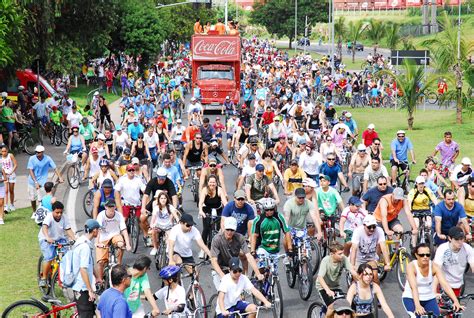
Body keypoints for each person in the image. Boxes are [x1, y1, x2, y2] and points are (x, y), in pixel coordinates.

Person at [402, 243, 462, 318]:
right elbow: (414, 287)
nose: (425, 257)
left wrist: (455, 301)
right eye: (422, 255)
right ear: (416, 255)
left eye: (427, 255)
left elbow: (445, 284)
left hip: (429, 298)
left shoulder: (434, 266)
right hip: (411, 298)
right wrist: (417, 305)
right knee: (416, 316)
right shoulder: (411, 266)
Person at [210, 217, 263, 289]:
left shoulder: (240, 238)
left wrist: (258, 273)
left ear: (235, 230)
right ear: (224, 228)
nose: (229, 232)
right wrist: (222, 276)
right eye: (227, 229)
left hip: (233, 268)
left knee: (238, 292)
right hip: (219, 269)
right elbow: (213, 260)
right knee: (223, 292)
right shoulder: (217, 239)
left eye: (232, 230)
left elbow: (249, 256)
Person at [38, 201, 75, 287]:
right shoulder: (49, 217)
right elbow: (44, 227)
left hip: (59, 239)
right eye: (57, 212)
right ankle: (43, 278)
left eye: (61, 212)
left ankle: (59, 276)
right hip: (46, 239)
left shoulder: (64, 218)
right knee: (49, 257)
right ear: (53, 211)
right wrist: (47, 237)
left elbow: (68, 229)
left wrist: (74, 239)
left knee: (63, 258)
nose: (59, 214)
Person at [316, 242, 358, 318]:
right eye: (339, 254)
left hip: (336, 287)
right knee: (331, 307)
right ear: (332, 254)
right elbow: (320, 277)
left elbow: (352, 271)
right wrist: (328, 290)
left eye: (342, 253)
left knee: (346, 305)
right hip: (323, 287)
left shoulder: (343, 259)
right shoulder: (326, 261)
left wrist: (359, 282)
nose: (342, 255)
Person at [96, 199, 131, 286]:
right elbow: (98, 231)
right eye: (109, 207)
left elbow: (124, 230)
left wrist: (128, 244)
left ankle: (118, 263)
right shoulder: (101, 215)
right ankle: (100, 280)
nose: (111, 209)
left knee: (120, 244)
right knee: (101, 262)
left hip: (115, 235)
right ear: (105, 207)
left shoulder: (118, 215)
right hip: (103, 237)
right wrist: (97, 242)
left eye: (112, 206)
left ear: (115, 207)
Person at [433, 226, 474, 297]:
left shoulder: (467, 249)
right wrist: (433, 291)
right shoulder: (442, 249)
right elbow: (437, 271)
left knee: (455, 306)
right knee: (441, 307)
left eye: (462, 239)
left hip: (457, 285)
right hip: (442, 284)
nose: (460, 242)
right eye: (457, 239)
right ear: (449, 238)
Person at [72, 219, 101, 318]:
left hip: (80, 286)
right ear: (95, 230)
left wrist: (97, 277)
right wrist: (89, 290)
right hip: (82, 288)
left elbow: (89, 264)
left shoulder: (81, 241)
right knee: (86, 314)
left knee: (90, 312)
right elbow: (83, 269)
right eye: (98, 230)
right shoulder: (85, 247)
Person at [350, 215, 391, 284]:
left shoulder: (379, 230)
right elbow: (354, 249)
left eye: (374, 227)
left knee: (375, 277)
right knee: (357, 280)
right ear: (364, 225)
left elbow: (384, 248)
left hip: (371, 258)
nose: (372, 229)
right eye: (369, 227)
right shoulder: (358, 231)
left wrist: (387, 263)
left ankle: (375, 294)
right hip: (358, 258)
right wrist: (352, 266)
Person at [250, 198, 292, 262]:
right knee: (262, 269)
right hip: (262, 248)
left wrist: (290, 249)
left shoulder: (279, 217)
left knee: (273, 271)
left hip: (275, 250)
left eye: (271, 209)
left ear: (274, 209)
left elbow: (287, 232)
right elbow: (254, 235)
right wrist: (253, 251)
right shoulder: (258, 220)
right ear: (264, 209)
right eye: (267, 210)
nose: (269, 211)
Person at [27, 145, 64, 213]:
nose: (37, 154)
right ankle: (34, 212)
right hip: (32, 182)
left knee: (42, 199)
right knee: (32, 198)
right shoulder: (32, 158)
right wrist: (35, 182)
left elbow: (55, 168)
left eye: (39, 152)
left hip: (42, 182)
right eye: (36, 152)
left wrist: (60, 177)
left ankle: (42, 212)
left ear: (42, 152)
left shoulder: (47, 159)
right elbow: (30, 170)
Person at [407, 176, 438, 246]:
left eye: (422, 183)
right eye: (419, 183)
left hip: (426, 210)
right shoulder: (413, 191)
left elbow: (434, 199)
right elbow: (409, 201)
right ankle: (414, 244)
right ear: (416, 184)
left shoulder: (427, 190)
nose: (421, 185)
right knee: (416, 226)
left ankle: (428, 238)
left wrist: (438, 207)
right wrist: (410, 210)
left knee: (429, 225)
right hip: (415, 210)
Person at [149, 190, 180, 256]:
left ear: (167, 199)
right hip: (158, 226)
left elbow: (175, 215)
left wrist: (178, 221)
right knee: (153, 232)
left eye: (164, 198)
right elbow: (153, 218)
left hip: (168, 227)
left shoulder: (170, 207)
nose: (163, 200)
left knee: (169, 240)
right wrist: (151, 225)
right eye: (161, 198)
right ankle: (155, 247)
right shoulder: (156, 208)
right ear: (159, 199)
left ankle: (168, 253)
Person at [0, 144, 16, 213]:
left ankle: (12, 204)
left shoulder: (10, 155)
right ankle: (6, 206)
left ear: (7, 151)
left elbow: (15, 164)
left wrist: (11, 172)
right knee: (5, 191)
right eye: (2, 151)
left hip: (11, 175)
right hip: (4, 176)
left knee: (11, 190)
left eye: (5, 151)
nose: (4, 153)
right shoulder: (0, 158)